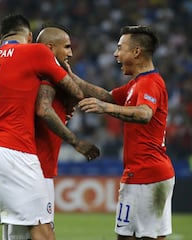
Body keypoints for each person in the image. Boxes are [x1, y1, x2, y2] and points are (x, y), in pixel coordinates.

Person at [0, 14, 87, 240]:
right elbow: (76, 91)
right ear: (30, 36)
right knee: (42, 229)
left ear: (2, 38)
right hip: (14, 151)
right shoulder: (35, 51)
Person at [76, 25, 175, 240]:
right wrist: (65, 74)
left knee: (136, 237)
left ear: (136, 52)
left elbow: (144, 113)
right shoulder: (136, 84)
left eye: (120, 48)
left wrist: (105, 109)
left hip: (147, 175)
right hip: (144, 174)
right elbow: (105, 96)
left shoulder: (149, 83)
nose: (115, 54)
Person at [2, 24, 100, 240]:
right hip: (35, 168)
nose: (71, 53)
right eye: (66, 47)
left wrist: (117, 101)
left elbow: (78, 88)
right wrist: (76, 142)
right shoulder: (46, 79)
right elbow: (45, 109)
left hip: (29, 165)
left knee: (17, 232)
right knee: (38, 233)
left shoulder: (40, 76)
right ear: (49, 48)